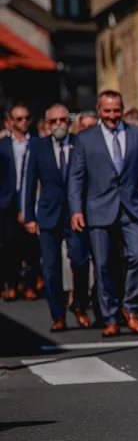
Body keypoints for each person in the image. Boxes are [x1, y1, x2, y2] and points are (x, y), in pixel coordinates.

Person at [68, 91, 138, 336]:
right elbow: (76, 178)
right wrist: (76, 210)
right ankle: (110, 317)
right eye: (107, 111)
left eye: (116, 110)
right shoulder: (85, 139)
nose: (112, 115)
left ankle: (130, 308)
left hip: (133, 208)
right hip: (98, 209)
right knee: (104, 265)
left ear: (122, 109)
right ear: (98, 109)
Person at [21, 104, 91, 330]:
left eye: (63, 120)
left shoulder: (79, 144)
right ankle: (57, 315)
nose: (59, 125)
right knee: (51, 268)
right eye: (54, 121)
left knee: (80, 261)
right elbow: (29, 183)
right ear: (47, 125)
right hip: (48, 214)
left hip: (75, 213)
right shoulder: (38, 148)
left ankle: (79, 303)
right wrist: (29, 216)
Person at [1, 103, 39, 301]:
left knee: (31, 246)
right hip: (7, 200)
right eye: (19, 119)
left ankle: (30, 284)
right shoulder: (3, 146)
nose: (23, 122)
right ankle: (11, 283)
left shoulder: (37, 144)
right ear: (11, 122)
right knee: (9, 245)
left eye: (26, 118)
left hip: (30, 199)